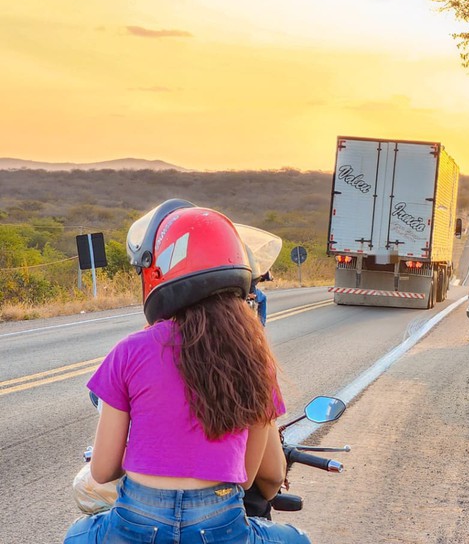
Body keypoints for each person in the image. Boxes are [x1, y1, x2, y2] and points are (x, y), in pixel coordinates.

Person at [64, 199, 309, 544]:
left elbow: (103, 470)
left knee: (77, 535)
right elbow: (245, 477)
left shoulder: (128, 351)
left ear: (159, 273)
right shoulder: (256, 360)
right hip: (221, 524)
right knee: (297, 539)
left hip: (134, 523)